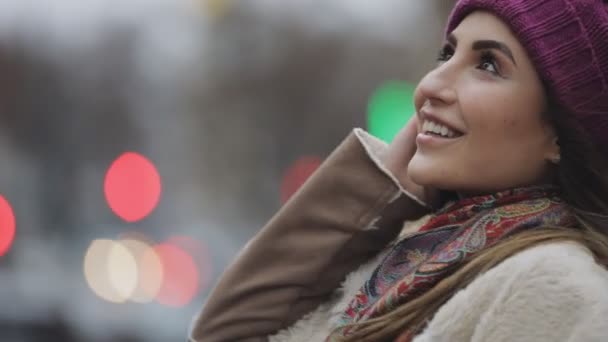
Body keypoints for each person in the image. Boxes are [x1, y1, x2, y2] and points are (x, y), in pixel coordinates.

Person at [190, 0, 608, 341]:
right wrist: (382, 188)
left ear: (561, 132)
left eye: (488, 65)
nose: (429, 85)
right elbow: (225, 332)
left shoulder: (551, 287)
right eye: (446, 53)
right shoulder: (413, 263)